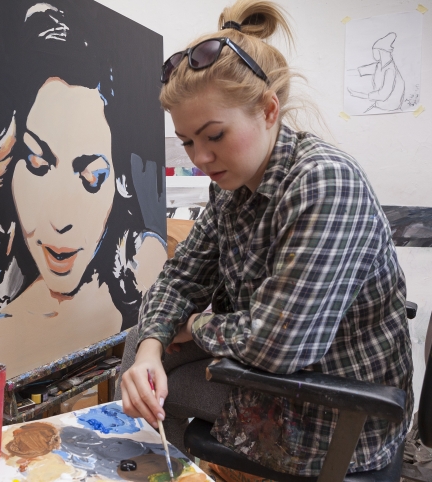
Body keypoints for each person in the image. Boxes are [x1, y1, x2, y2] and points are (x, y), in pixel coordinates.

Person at [118, 0, 413, 477]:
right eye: (188, 141)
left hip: (328, 408)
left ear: (269, 110)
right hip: (274, 370)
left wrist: (195, 325)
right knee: (139, 350)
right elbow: (180, 276)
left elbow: (279, 344)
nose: (200, 158)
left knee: (153, 390)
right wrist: (152, 344)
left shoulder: (324, 182)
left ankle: (152, 467)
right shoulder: (230, 191)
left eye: (214, 135)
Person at [0, 76, 167, 378]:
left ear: (119, 181)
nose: (60, 222)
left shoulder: (144, 261)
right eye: (37, 164)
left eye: (92, 177)